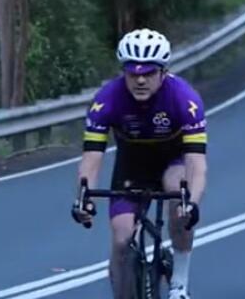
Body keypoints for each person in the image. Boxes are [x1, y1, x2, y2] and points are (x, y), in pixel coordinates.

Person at [72, 28, 206, 299]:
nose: (140, 80)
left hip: (174, 160)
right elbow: (91, 158)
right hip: (132, 166)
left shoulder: (185, 99)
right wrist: (83, 199)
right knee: (121, 239)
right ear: (124, 72)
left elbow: (197, 163)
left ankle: (179, 284)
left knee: (178, 205)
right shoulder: (106, 101)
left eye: (149, 73)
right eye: (133, 73)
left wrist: (192, 202)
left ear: (163, 72)